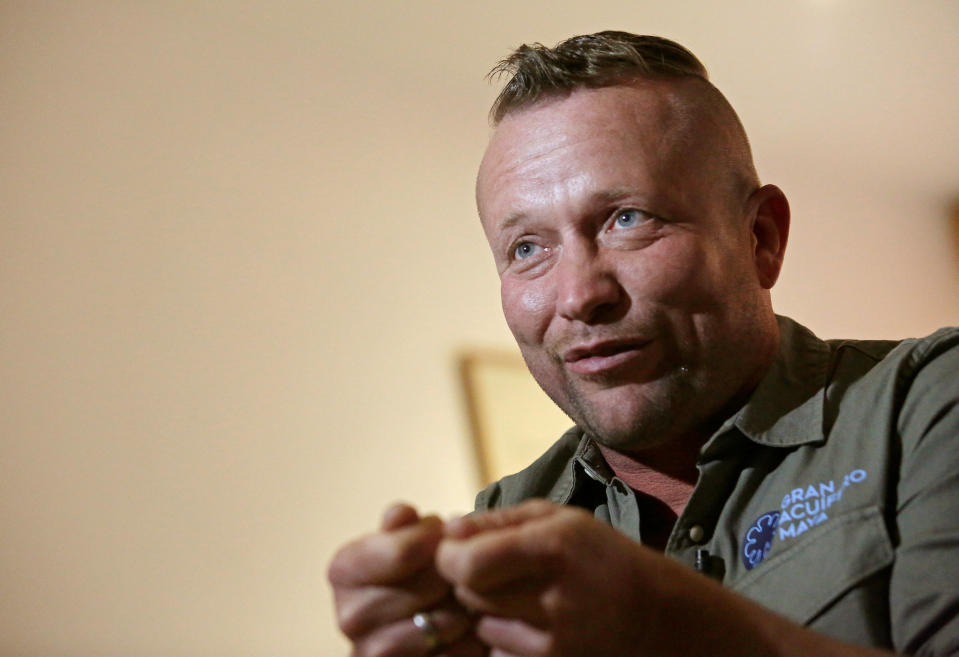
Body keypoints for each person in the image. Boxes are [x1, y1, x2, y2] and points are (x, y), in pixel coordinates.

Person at [328, 31, 959, 657]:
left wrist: (663, 623)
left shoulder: (927, 406)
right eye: (527, 248)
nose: (579, 295)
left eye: (627, 219)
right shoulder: (508, 519)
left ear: (761, 238)